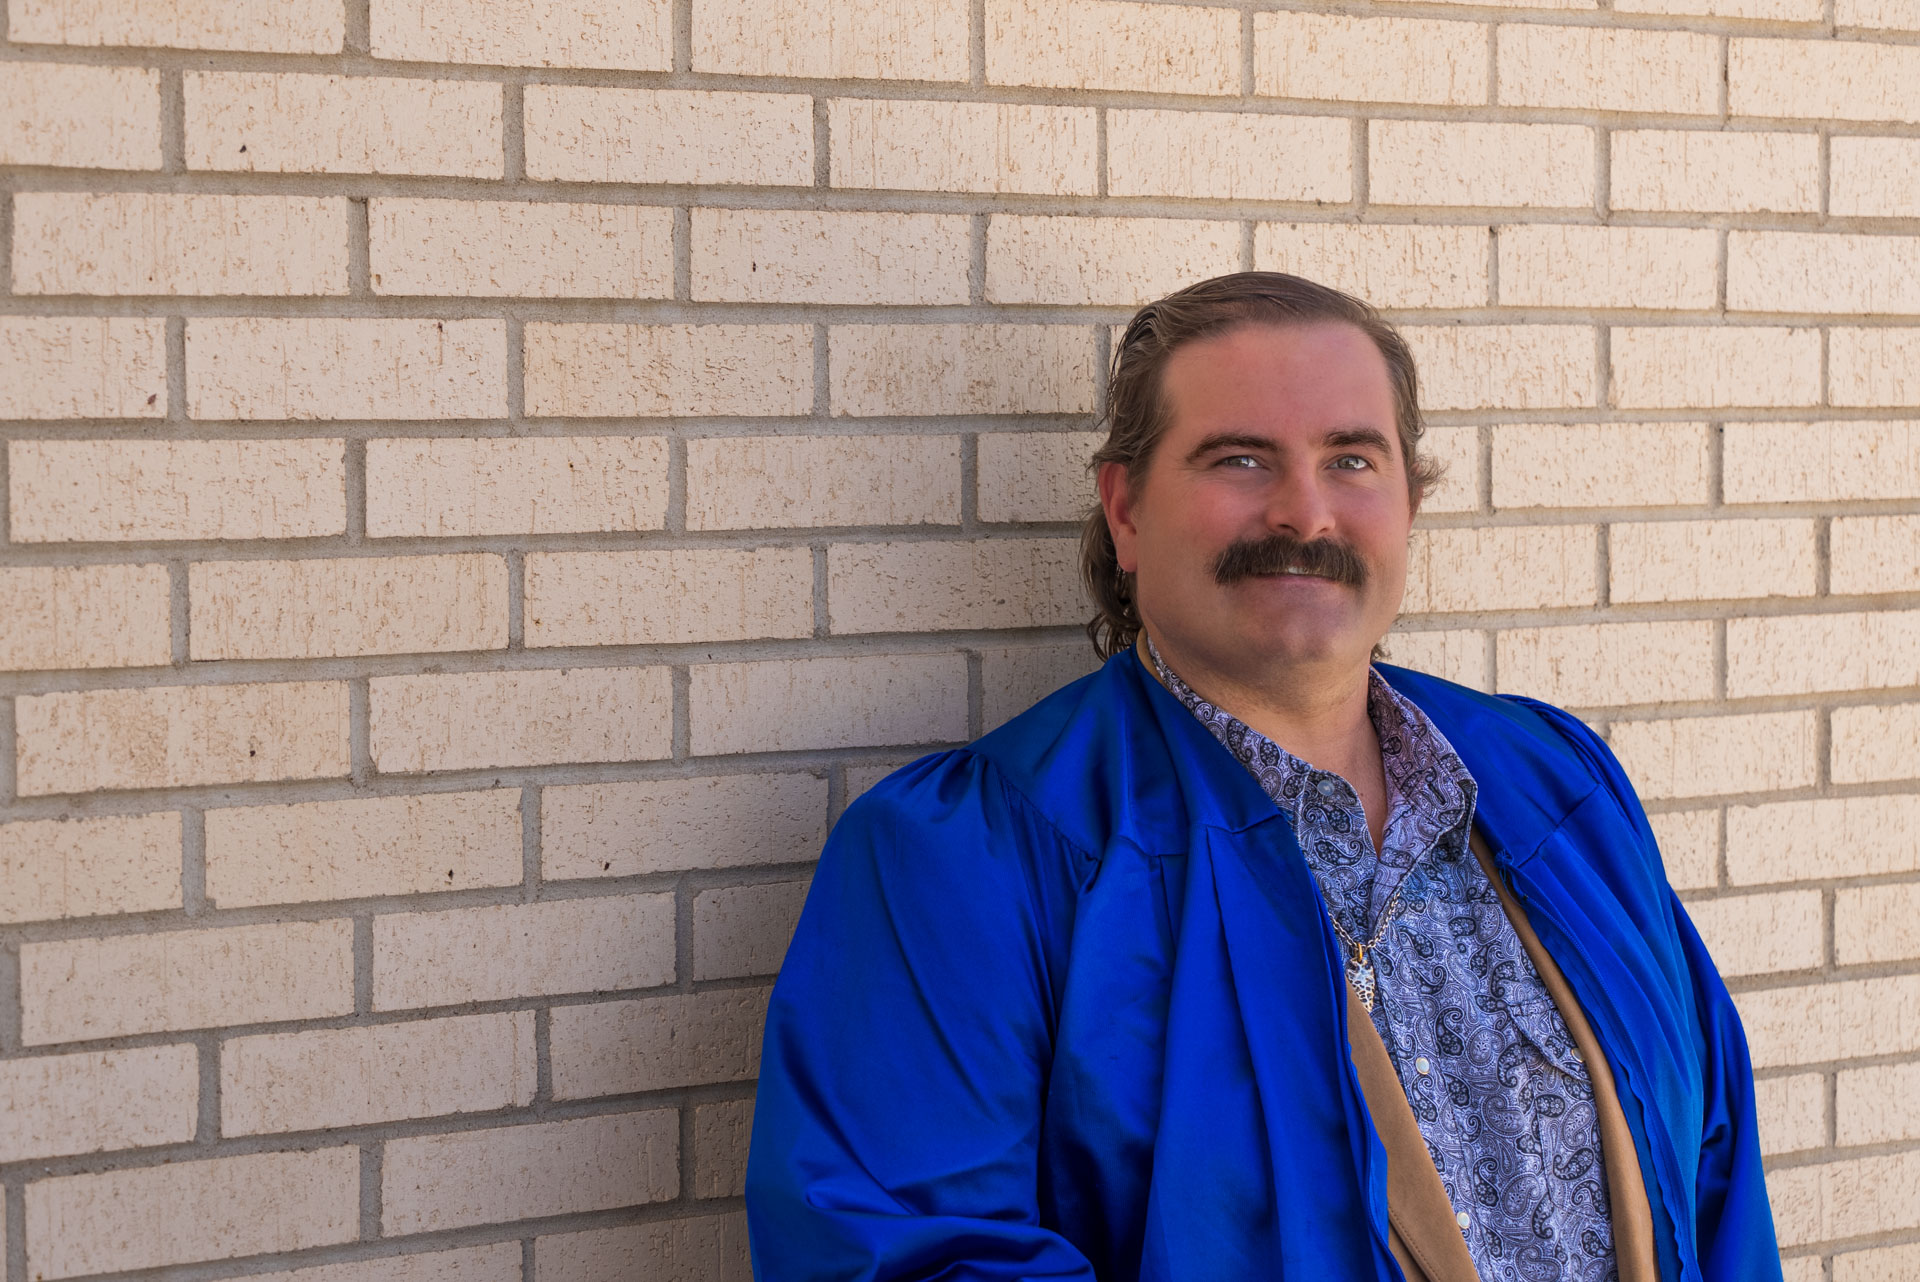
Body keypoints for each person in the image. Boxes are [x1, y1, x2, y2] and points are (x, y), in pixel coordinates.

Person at [744, 272, 1781, 1281]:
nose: (1305, 513)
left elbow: (1716, 1183)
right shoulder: (970, 859)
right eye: (1240, 459)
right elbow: (907, 1255)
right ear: (1127, 511)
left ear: (1409, 503)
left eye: (1352, 460)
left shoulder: (1559, 791)